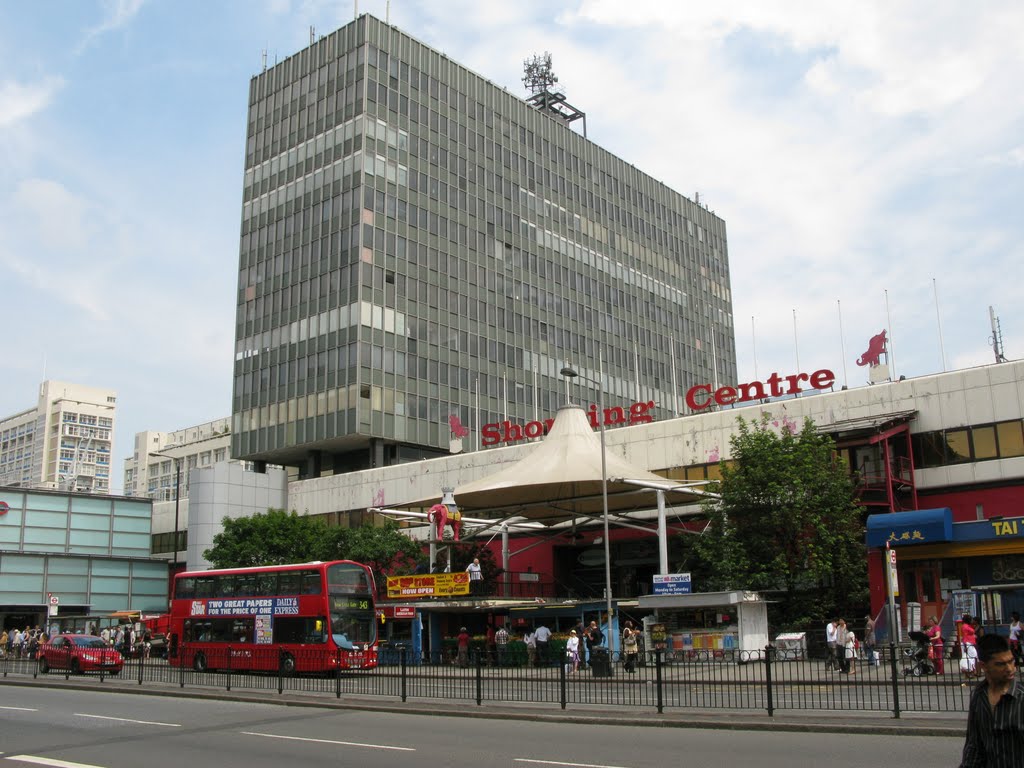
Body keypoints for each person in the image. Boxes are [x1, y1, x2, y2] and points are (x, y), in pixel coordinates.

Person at [959, 633, 1024, 767]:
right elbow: (974, 746)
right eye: (1001, 664)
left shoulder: (1021, 697)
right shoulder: (978, 696)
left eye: (1011, 661)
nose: (1010, 669)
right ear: (984, 666)